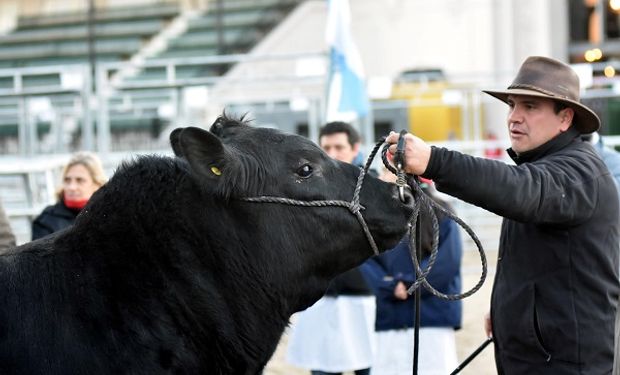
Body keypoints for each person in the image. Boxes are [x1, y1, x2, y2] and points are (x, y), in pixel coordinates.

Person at [385, 56, 619, 373]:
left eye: (530, 107)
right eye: (512, 105)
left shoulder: (579, 170)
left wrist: (433, 161)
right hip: (542, 353)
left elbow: (519, 190)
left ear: (565, 118)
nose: (514, 117)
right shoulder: (546, 166)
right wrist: (507, 311)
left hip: (565, 363)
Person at [287, 121, 375, 375]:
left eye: (339, 146)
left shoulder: (372, 189)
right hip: (319, 298)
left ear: (355, 148)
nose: (333, 153)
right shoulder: (306, 192)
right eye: (327, 147)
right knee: (323, 369)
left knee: (368, 367)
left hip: (364, 296)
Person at [362, 172, 462, 375]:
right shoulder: (376, 217)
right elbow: (367, 260)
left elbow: (446, 263)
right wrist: (389, 286)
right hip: (391, 320)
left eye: (388, 170)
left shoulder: (443, 214)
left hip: (431, 319)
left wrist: (409, 285)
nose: (382, 175)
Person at [32, 151, 107, 240]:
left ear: (97, 184)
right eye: (67, 180)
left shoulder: (109, 218)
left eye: (80, 180)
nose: (71, 187)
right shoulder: (46, 220)